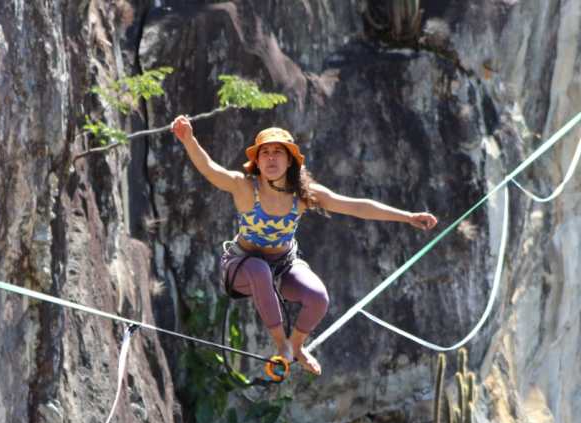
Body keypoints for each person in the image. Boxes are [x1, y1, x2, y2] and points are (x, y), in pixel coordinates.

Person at [171, 116, 437, 376]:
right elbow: (209, 169)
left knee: (318, 298)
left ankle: (297, 347)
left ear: (289, 161)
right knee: (259, 270)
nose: (272, 158)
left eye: (278, 152)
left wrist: (408, 217)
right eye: (265, 153)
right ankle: (282, 346)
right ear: (257, 161)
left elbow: (356, 206)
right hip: (243, 267)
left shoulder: (304, 195)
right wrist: (189, 139)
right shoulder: (244, 187)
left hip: (284, 264)